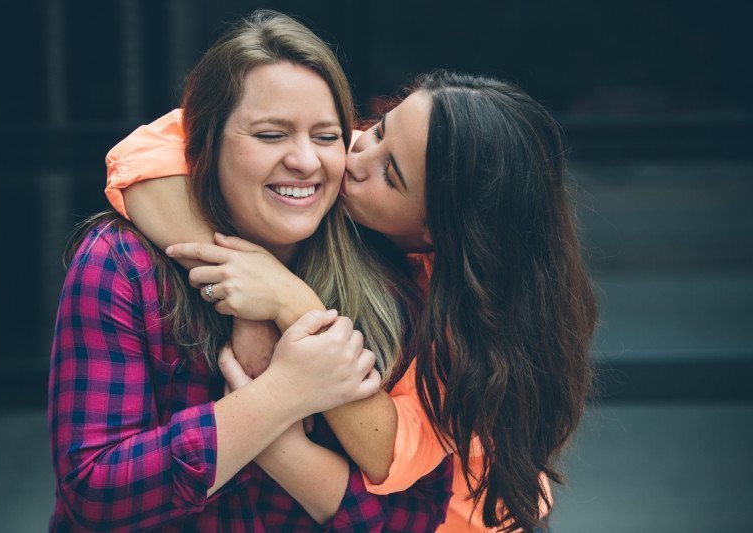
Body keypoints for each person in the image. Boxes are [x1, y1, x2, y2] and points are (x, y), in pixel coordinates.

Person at [106, 65, 598, 531]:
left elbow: (387, 452)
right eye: (379, 128)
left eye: (391, 175)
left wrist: (288, 300)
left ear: (437, 230)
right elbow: (143, 158)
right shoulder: (377, 153)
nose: (353, 158)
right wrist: (242, 293)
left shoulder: (479, 327)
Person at [48, 11, 453, 532]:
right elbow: (94, 493)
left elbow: (417, 517)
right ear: (205, 142)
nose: (306, 161)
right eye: (270, 134)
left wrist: (278, 443)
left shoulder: (385, 281)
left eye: (327, 136)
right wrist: (280, 397)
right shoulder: (121, 265)